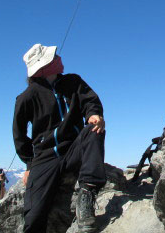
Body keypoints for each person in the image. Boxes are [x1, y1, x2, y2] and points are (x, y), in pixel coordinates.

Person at [13, 44, 106, 233]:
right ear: (45, 66)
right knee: (34, 216)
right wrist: (29, 164)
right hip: (45, 158)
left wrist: (93, 114)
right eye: (55, 56)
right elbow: (19, 134)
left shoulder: (73, 81)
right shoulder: (26, 97)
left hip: (74, 149)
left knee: (94, 130)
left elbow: (90, 101)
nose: (60, 58)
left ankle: (86, 194)